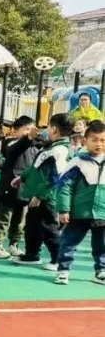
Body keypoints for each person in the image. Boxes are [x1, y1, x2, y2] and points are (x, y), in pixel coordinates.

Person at [13, 114, 75, 268]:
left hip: (47, 197)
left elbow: (55, 177)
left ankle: (58, 259)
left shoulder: (61, 150)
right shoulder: (52, 146)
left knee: (49, 228)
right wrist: (22, 177)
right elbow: (37, 167)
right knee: (32, 226)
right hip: (37, 194)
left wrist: (40, 195)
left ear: (53, 129)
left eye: (48, 126)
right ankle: (32, 254)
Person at [55, 120, 105, 285]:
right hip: (79, 212)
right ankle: (63, 270)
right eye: (94, 140)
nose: (99, 144)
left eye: (103, 140)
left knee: (102, 244)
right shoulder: (77, 162)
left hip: (102, 213)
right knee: (69, 242)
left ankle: (101, 271)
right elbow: (64, 187)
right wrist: (64, 209)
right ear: (85, 141)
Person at [0, 116, 37, 259]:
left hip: (25, 189)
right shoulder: (10, 143)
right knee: (3, 219)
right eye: (26, 129)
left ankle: (13, 244)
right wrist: (28, 138)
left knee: (20, 220)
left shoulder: (34, 147)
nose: (29, 132)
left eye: (31, 129)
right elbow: (19, 146)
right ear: (15, 131)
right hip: (8, 188)